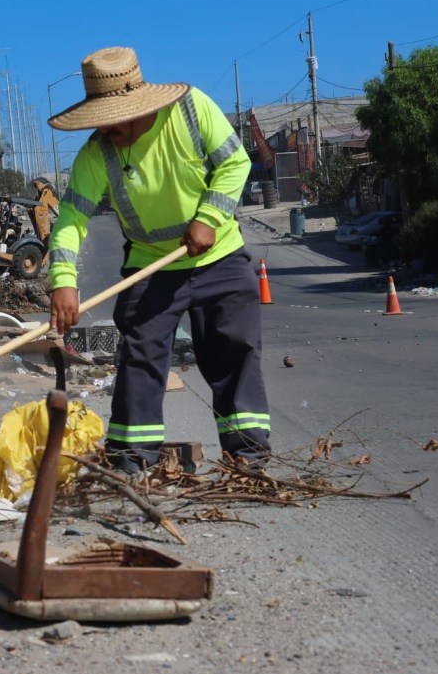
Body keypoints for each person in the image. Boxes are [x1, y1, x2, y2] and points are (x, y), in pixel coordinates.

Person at [46, 47, 271, 474]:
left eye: (112, 118)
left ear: (136, 106)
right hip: (152, 269)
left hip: (218, 258)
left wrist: (208, 218)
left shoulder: (191, 109)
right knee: (141, 359)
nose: (104, 128)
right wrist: (63, 280)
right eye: (99, 120)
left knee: (233, 355)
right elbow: (71, 218)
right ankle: (133, 461)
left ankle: (248, 457)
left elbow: (235, 163)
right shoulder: (97, 154)